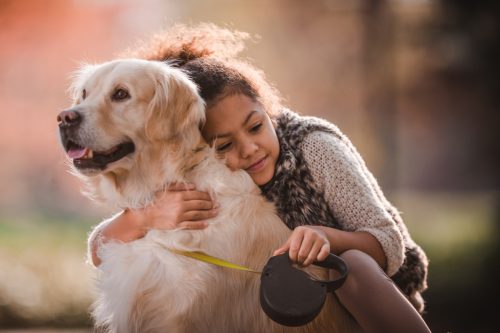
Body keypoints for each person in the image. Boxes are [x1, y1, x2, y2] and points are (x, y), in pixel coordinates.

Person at [88, 24, 431, 332]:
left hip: (362, 300)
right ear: (202, 151)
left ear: (268, 110)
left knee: (352, 263)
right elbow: (98, 249)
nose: (250, 149)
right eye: (225, 145)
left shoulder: (315, 146)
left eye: (255, 126)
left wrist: (326, 237)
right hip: (285, 307)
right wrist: (147, 216)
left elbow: (389, 242)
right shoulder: (209, 180)